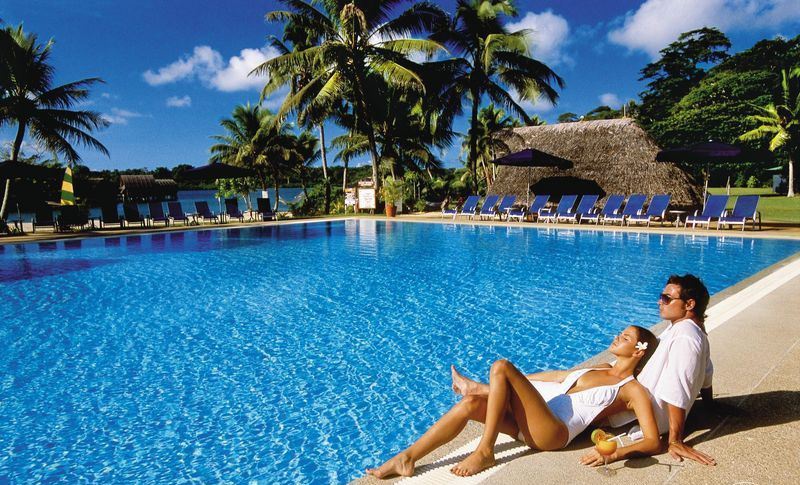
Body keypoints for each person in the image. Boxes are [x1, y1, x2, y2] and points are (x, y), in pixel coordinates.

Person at [366, 326, 662, 479]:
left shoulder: (631, 389)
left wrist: (614, 454)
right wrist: (509, 383)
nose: (617, 336)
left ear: (638, 352)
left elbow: (652, 441)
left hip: (554, 433)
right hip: (534, 421)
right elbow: (556, 377)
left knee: (501, 366)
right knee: (470, 403)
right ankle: (408, 458)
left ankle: (485, 451)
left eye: (625, 337)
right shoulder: (601, 368)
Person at [599, 274, 716, 466]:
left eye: (666, 298)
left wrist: (675, 440)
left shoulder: (685, 337)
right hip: (635, 402)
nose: (659, 302)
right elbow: (707, 373)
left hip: (637, 411)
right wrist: (710, 406)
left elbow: (677, 387)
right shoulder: (689, 329)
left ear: (689, 304)